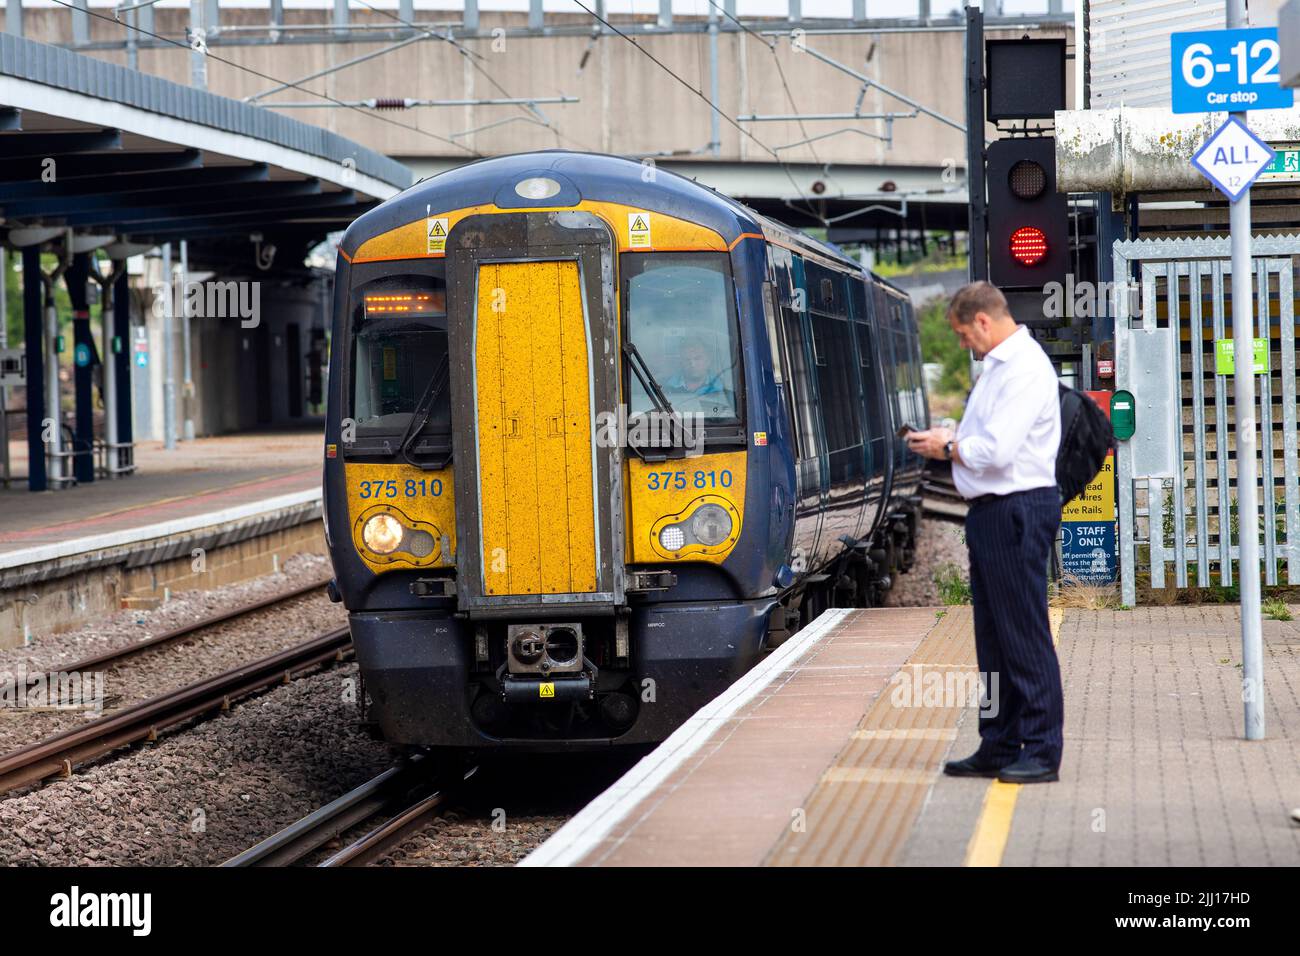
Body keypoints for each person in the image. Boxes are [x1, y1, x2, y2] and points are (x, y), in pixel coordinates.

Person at [905, 281, 1064, 784]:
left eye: (960, 334)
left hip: (1017, 510)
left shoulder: (1023, 368)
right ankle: (998, 743)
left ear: (982, 322)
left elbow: (995, 451)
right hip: (992, 514)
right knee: (994, 639)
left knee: (1024, 635)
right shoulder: (998, 367)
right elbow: (985, 440)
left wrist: (947, 449)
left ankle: (1040, 750)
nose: (961, 345)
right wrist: (954, 439)